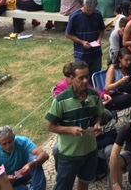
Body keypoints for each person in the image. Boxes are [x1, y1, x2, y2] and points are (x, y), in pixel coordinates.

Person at [46, 61, 103, 190]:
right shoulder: (60, 100)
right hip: (69, 154)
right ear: (71, 79)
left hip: (90, 151)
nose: (85, 81)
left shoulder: (94, 96)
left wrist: (98, 124)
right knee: (63, 187)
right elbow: (50, 126)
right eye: (80, 78)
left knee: (84, 182)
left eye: (87, 77)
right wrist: (70, 129)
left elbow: (99, 114)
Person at [0, 126, 48, 190]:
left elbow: (44, 155)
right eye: (4, 144)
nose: (8, 146)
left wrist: (31, 164)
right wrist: (6, 178)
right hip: (12, 181)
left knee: (34, 159)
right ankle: (28, 187)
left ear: (14, 138)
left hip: (27, 172)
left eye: (10, 142)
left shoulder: (22, 141)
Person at [65, 0, 105, 75]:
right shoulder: (75, 16)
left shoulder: (97, 14)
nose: (90, 12)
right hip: (81, 54)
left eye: (92, 10)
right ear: (84, 5)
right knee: (81, 76)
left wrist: (99, 39)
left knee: (95, 76)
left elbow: (102, 29)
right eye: (88, 10)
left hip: (96, 53)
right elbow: (68, 34)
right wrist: (82, 42)